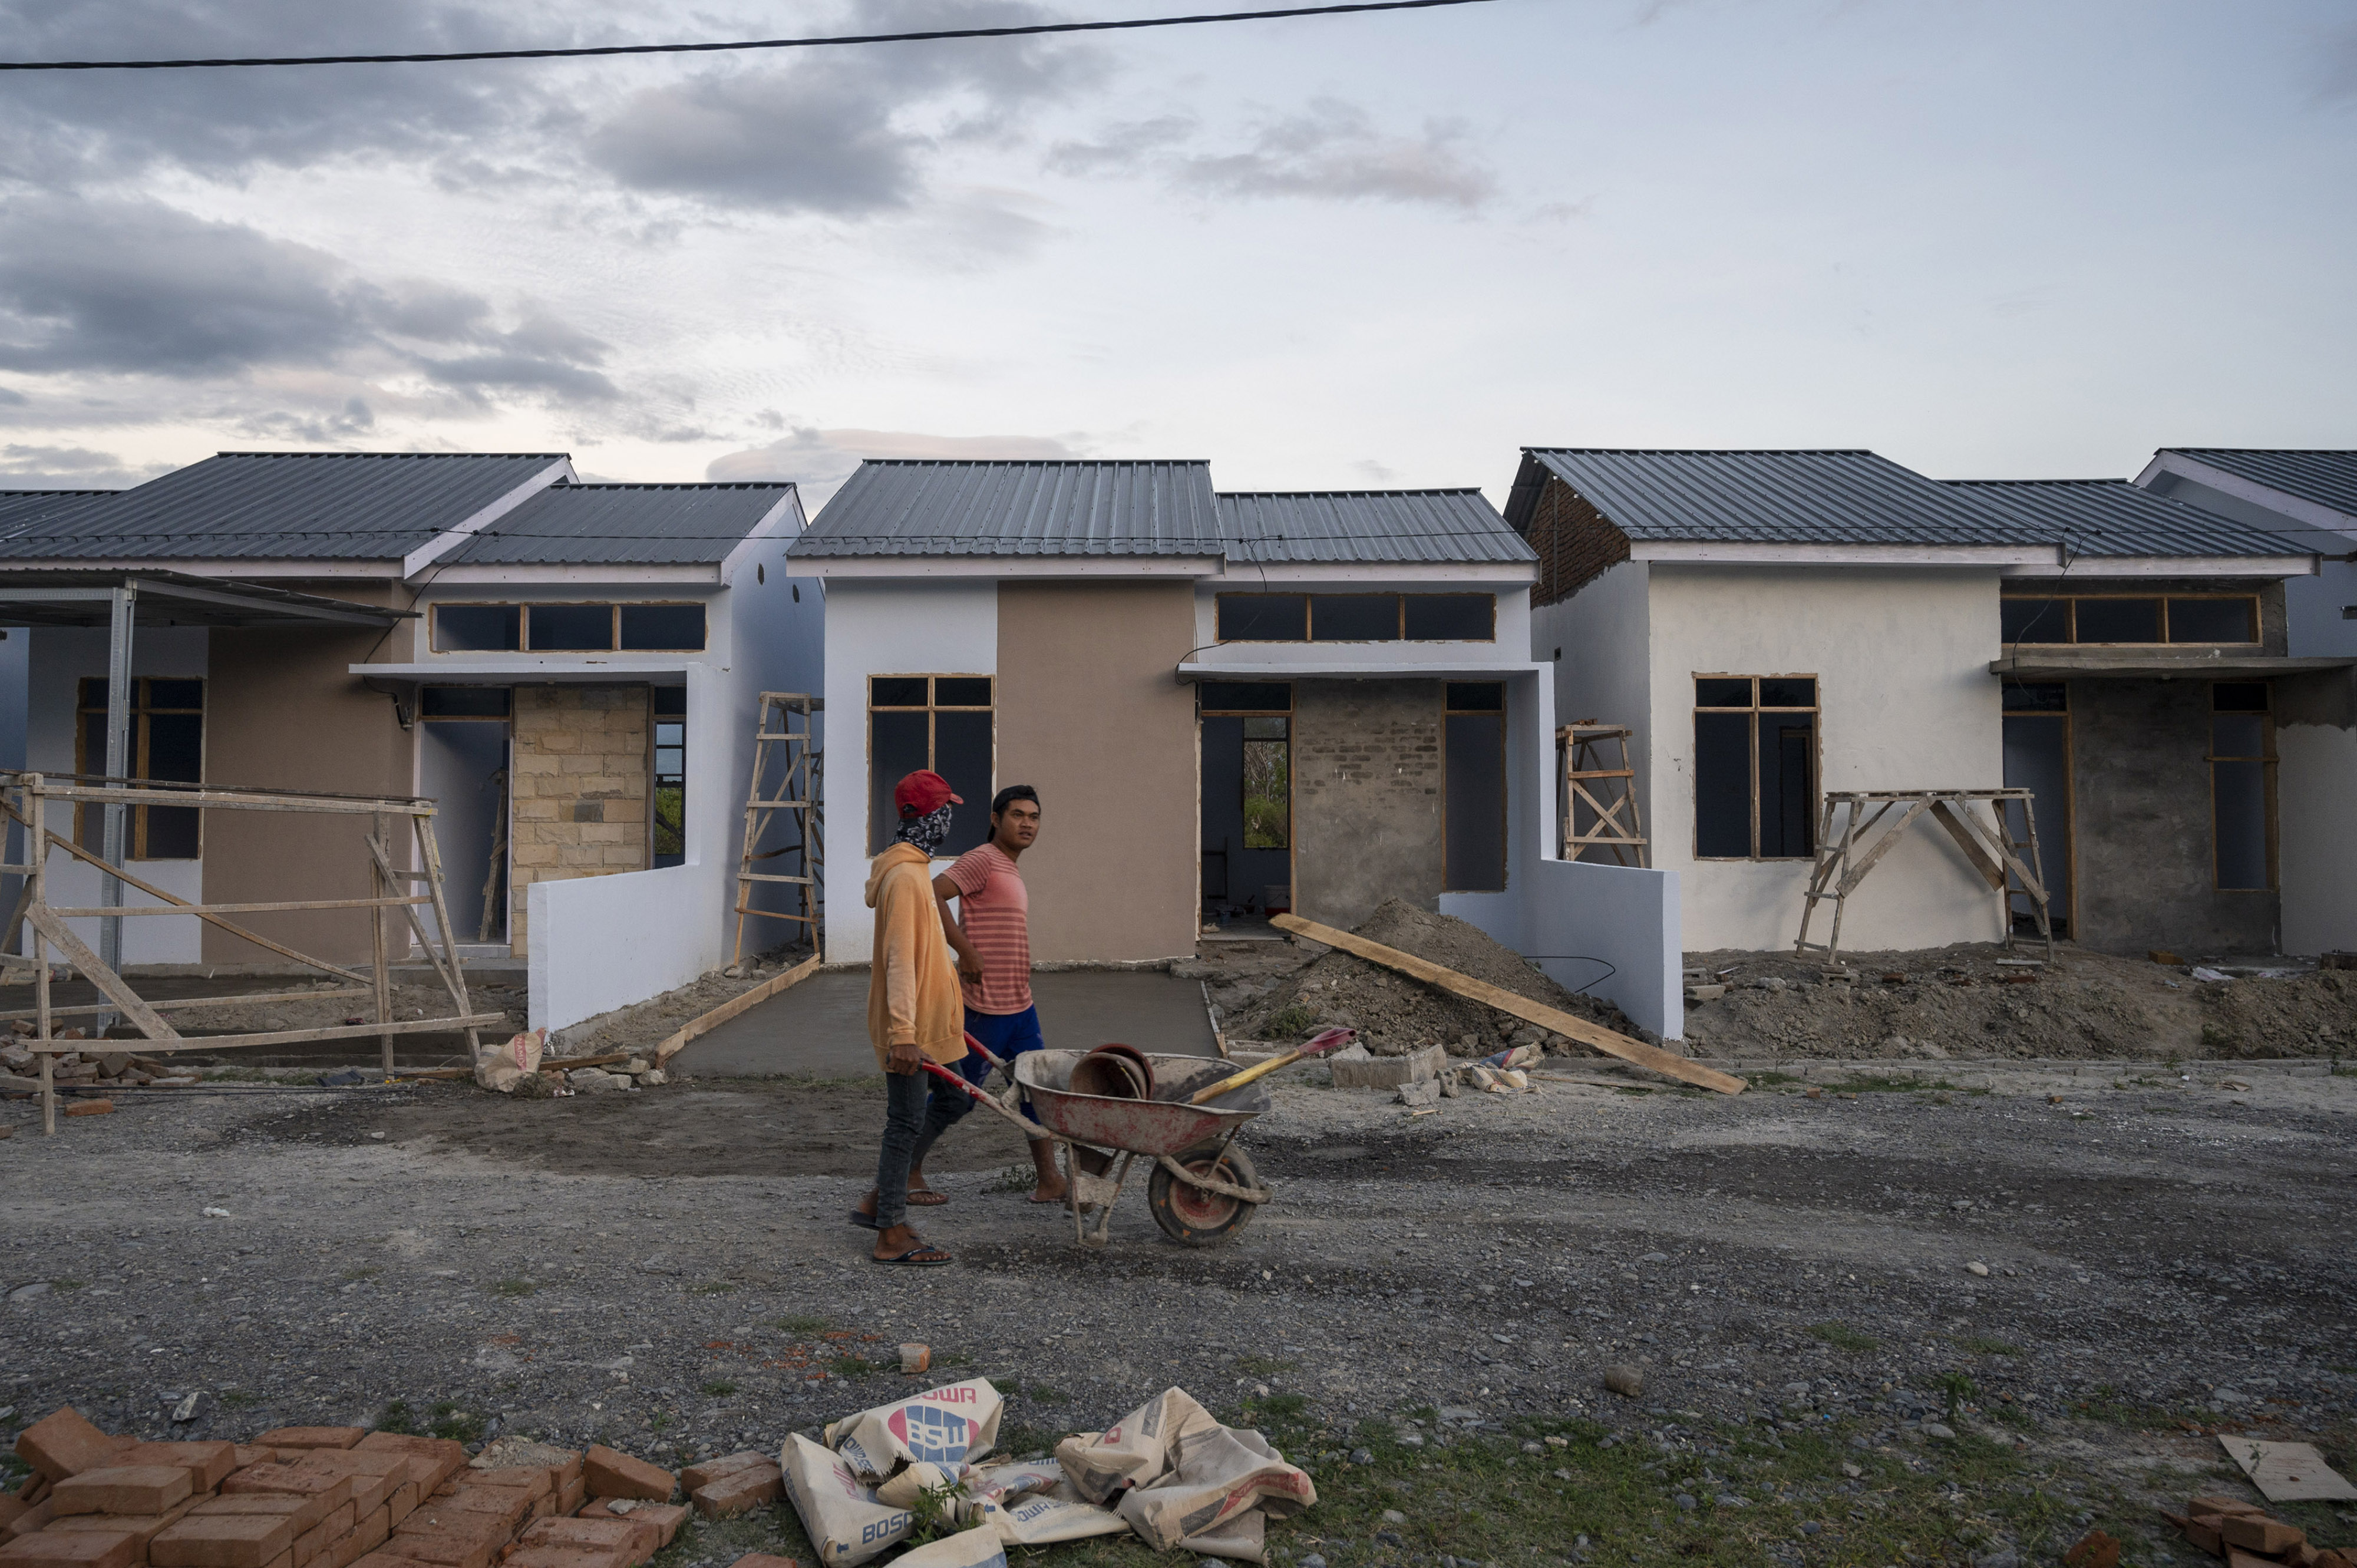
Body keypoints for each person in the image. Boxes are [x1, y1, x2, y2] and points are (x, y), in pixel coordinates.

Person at [914, 784, 1067, 1205]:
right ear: (996, 820)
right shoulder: (983, 859)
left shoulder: (1008, 866)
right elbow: (933, 893)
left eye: (1034, 817)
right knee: (957, 1097)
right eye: (1017, 815)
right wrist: (964, 951)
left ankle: (1050, 1179)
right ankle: (906, 1171)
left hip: (1020, 1005)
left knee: (1035, 1090)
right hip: (986, 1006)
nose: (1027, 823)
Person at [850, 769, 969, 1266]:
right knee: (904, 1122)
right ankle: (891, 1231)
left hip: (932, 1026)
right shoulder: (902, 877)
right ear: (925, 817)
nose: (948, 819)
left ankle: (885, 1194)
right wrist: (903, 1034)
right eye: (944, 810)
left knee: (956, 1096)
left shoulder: (917, 867)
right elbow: (900, 957)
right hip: (911, 1030)